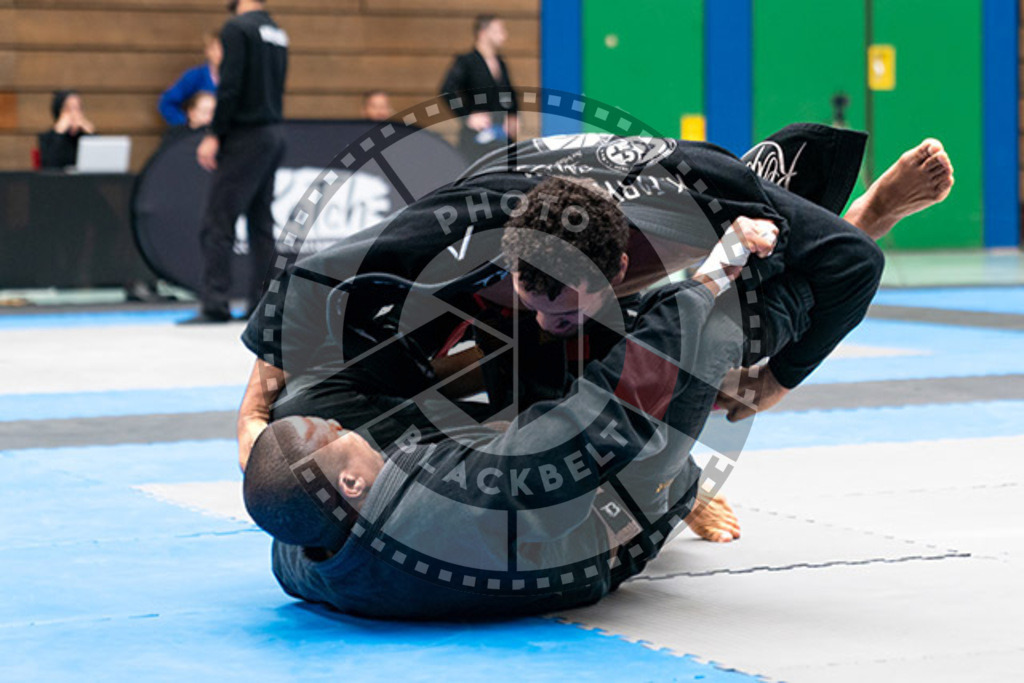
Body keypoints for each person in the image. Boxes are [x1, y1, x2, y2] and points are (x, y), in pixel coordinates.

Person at [245, 238, 752, 619]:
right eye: (333, 435)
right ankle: (685, 488)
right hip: (611, 517)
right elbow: (603, 420)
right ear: (352, 484)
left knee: (303, 398)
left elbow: (289, 504)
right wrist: (709, 277)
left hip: (507, 499)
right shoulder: (449, 508)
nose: (337, 425)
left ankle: (519, 371)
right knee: (710, 331)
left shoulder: (300, 556)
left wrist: (256, 418)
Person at [181, 0, 288, 324]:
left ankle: (215, 303)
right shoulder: (277, 33)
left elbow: (230, 86)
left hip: (245, 135)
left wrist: (215, 133)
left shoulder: (237, 29)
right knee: (260, 223)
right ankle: (262, 304)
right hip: (272, 131)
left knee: (218, 222)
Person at [439, 14, 518, 161]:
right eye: (498, 31)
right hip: (477, 137)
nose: (504, 36)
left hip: (501, 135)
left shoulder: (501, 63)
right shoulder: (467, 62)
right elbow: (447, 91)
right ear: (483, 33)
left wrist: (512, 115)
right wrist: (466, 115)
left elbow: (508, 93)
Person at [158, 31, 222, 127]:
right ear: (207, 51)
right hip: (201, 135)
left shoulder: (240, 77)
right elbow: (167, 103)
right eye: (214, 48)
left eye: (224, 48)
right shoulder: (195, 76)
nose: (219, 53)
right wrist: (186, 125)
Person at [38, 91, 95, 169]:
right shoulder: (48, 138)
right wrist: (59, 133)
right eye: (68, 109)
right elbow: (49, 166)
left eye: (78, 108)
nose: (74, 113)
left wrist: (91, 134)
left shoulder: (85, 135)